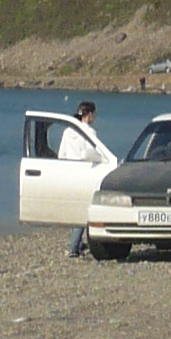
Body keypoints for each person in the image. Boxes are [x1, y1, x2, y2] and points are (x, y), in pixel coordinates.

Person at [62, 102, 101, 257]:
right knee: (85, 209)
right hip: (84, 173)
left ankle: (77, 244)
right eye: (94, 114)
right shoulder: (90, 132)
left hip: (70, 173)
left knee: (76, 208)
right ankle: (73, 246)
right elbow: (90, 154)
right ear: (89, 114)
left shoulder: (67, 131)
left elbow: (62, 155)